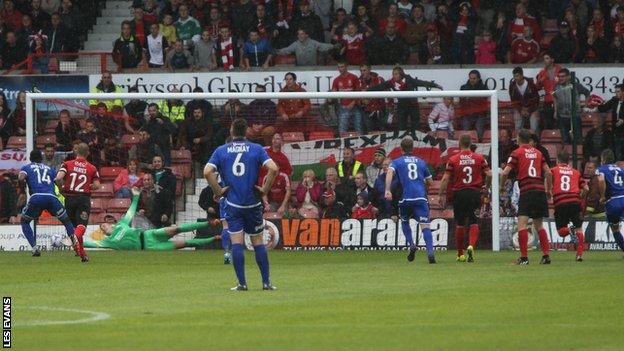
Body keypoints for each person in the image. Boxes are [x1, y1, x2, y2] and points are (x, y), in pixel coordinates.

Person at [204, 118, 279, 291]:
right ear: (246, 132)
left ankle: (242, 283)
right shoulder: (257, 149)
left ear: (231, 131)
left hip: (233, 203)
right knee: (258, 241)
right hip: (252, 204)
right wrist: (264, 190)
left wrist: (218, 191)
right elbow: (274, 169)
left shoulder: (221, 150)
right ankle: (266, 283)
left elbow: (207, 171)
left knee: (237, 243)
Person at [84, 188, 218, 250]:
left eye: (104, 225)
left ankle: (209, 222)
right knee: (185, 244)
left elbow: (130, 212)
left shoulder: (121, 225)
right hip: (150, 246)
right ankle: (213, 238)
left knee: (176, 229)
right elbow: (89, 244)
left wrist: (136, 197)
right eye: (102, 228)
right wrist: (75, 242)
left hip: (149, 235)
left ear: (110, 224)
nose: (104, 227)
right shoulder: (108, 242)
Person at [500, 129, 553, 265]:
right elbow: (548, 172)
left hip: (527, 191)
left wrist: (501, 187)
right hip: (540, 190)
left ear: (518, 139)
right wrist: (549, 189)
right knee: (539, 225)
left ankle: (524, 258)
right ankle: (546, 256)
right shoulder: (539, 153)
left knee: (522, 224)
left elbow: (505, 172)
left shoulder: (516, 152)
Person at [18, 149, 81, 260]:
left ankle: (34, 248)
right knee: (66, 220)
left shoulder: (26, 168)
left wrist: (23, 191)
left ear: (30, 158)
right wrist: (62, 192)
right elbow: (59, 181)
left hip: (36, 197)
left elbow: (21, 177)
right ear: (41, 158)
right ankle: (76, 246)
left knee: (25, 221)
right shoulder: (49, 169)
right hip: (51, 198)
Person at [438, 134, 491, 262]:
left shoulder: (453, 159)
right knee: (473, 221)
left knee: (460, 223)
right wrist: (486, 186)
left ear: (459, 144)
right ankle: (471, 246)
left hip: (459, 193)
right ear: (471, 144)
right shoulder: (479, 158)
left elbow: (445, 178)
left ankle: (460, 254)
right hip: (474, 193)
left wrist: (440, 194)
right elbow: (489, 174)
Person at [385, 136, 436, 263]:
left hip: (405, 198)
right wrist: (422, 182)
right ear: (412, 148)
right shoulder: (421, 162)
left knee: (404, 221)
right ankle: (430, 253)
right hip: (420, 197)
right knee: (425, 226)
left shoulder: (396, 162)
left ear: (401, 149)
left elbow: (389, 173)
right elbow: (430, 181)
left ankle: (412, 244)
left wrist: (387, 190)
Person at [55, 142, 100, 260]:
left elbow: (58, 178)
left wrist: (61, 188)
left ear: (76, 152)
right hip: (83, 199)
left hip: (69, 198)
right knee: (81, 226)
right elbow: (97, 185)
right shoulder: (92, 168)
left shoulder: (67, 164)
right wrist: (88, 186)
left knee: (74, 226)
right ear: (88, 153)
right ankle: (75, 239)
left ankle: (82, 253)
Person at [369, 66, 442, 135]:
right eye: (393, 74)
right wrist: (367, 91)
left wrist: (435, 85)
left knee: (416, 127)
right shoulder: (391, 82)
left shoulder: (409, 80)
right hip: (402, 106)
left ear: (401, 74)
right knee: (401, 127)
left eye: (396, 74)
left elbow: (422, 83)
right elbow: (380, 86)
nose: (394, 76)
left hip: (413, 106)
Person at [550, 151, 586, 261]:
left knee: (561, 232)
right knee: (579, 228)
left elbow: (549, 181)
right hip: (575, 201)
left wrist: (549, 191)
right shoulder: (576, 172)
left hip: (561, 202)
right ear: (568, 161)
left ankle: (570, 231)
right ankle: (579, 254)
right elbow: (586, 188)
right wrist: (581, 197)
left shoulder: (553, 170)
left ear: (557, 160)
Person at [596, 149, 624, 257]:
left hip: (613, 201)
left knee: (615, 228)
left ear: (602, 159)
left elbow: (601, 180)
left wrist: (602, 196)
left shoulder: (601, 169)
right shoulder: (620, 169)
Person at [553, 68, 590, 144]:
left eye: (563, 76)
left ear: (568, 76)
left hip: (574, 116)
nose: (561, 78)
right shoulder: (557, 87)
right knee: (564, 139)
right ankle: (566, 154)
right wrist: (555, 111)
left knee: (577, 139)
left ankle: (578, 154)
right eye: (559, 76)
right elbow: (554, 97)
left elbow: (587, 93)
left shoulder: (576, 85)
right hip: (562, 116)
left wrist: (585, 106)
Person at [332, 61, 362, 134]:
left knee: (359, 128)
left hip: (355, 107)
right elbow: (334, 93)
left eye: (342, 66)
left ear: (346, 67)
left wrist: (353, 102)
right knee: (342, 130)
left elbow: (358, 92)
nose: (340, 69)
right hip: (343, 108)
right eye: (339, 67)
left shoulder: (353, 77)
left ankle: (361, 144)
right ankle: (342, 144)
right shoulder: (336, 80)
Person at [459, 69, 489, 141]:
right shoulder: (463, 88)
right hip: (467, 114)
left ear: (478, 78)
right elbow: (462, 102)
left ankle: (479, 145)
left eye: (474, 78)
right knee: (465, 130)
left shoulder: (484, 88)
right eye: (470, 78)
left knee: (479, 129)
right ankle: (465, 146)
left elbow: (483, 102)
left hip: (480, 115)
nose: (472, 80)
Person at [509, 66, 540, 133]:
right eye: (514, 76)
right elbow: (513, 101)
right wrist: (521, 110)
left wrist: (529, 110)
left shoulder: (531, 84)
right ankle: (518, 142)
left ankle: (534, 142)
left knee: (534, 128)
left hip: (532, 109)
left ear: (522, 75)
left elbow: (536, 99)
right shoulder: (512, 86)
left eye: (517, 76)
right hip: (519, 108)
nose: (515, 78)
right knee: (517, 128)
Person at [597, 84, 624, 160]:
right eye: (615, 92)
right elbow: (604, 108)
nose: (616, 93)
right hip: (616, 132)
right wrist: (599, 104)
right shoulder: (614, 100)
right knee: (616, 152)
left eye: (618, 91)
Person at [536, 52, 561, 129]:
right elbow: (537, 88)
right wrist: (540, 82)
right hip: (548, 100)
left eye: (547, 58)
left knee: (560, 123)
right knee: (549, 124)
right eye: (544, 59)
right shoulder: (542, 72)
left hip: (559, 99)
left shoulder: (560, 70)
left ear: (552, 60)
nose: (545, 61)